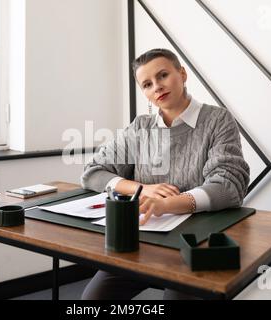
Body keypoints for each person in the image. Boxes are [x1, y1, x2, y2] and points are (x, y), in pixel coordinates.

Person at [80, 48, 250, 300]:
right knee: (91, 302)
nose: (157, 87)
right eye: (147, 84)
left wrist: (166, 204)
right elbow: (92, 173)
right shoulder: (141, 127)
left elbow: (228, 186)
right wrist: (142, 189)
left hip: (196, 244)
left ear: (182, 74)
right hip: (143, 241)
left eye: (163, 76)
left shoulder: (217, 120)